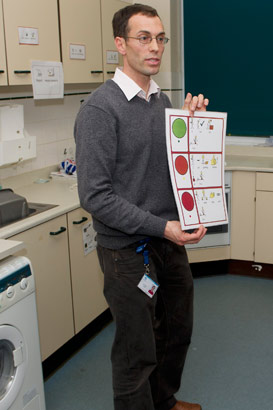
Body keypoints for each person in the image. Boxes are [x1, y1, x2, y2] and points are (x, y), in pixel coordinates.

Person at [74, 4, 208, 410]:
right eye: (144, 38)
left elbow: (165, 167)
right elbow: (96, 197)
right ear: (120, 44)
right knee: (137, 351)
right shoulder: (100, 109)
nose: (155, 48)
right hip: (126, 253)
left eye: (161, 38)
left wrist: (189, 127)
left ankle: (164, 402)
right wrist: (162, 227)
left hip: (167, 242)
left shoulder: (161, 102)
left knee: (176, 331)